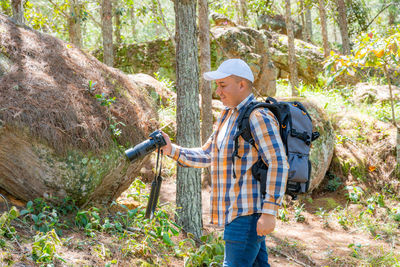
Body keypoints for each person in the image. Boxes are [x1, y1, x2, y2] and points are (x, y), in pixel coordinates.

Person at [161, 58, 289, 267]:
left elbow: (278, 162)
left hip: (247, 214)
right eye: (217, 85)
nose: (218, 91)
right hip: (234, 213)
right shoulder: (227, 116)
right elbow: (208, 154)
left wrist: (269, 211)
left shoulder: (259, 116)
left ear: (242, 84)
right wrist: (171, 150)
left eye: (223, 85)